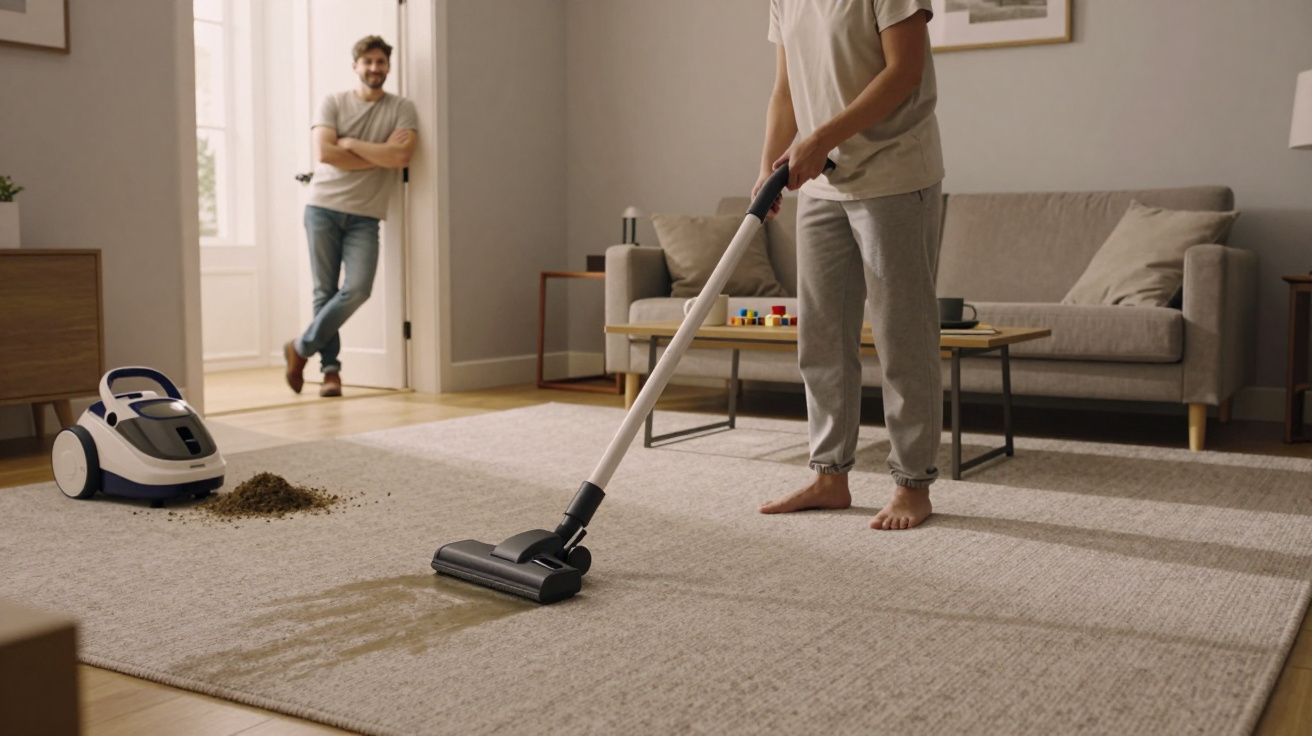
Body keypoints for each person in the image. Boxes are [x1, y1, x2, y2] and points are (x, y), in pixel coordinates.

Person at [754, 0, 945, 530]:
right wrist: (766, 169)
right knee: (821, 335)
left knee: (901, 334)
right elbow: (786, 91)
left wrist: (819, 139)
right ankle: (829, 476)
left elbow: (904, 73)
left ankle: (913, 483)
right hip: (820, 185)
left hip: (896, 176)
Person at [284, 35, 418, 398]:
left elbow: (400, 159)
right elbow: (326, 153)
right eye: (368, 62)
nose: (375, 68)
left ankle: (300, 347)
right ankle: (331, 373)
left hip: (365, 215)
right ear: (355, 65)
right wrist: (379, 153)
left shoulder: (401, 108)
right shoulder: (333, 102)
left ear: (388, 66)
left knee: (358, 288)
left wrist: (353, 144)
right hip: (322, 207)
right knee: (324, 291)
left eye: (381, 62)